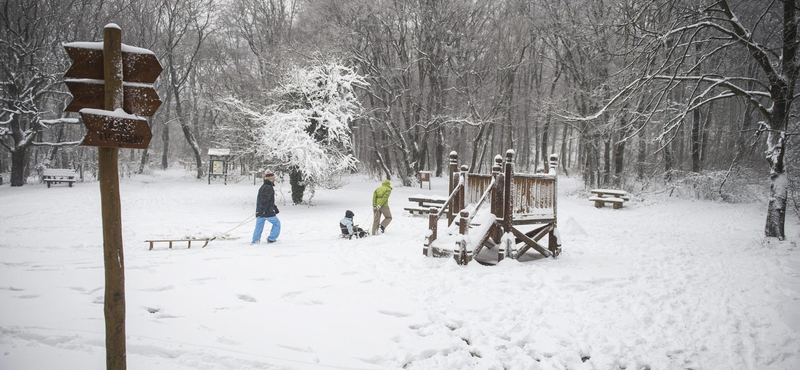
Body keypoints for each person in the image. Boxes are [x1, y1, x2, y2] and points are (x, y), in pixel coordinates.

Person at [252, 172, 280, 244]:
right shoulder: (268, 188)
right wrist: (264, 211)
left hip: (261, 211)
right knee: (277, 224)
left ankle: (255, 241)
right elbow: (265, 200)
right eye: (273, 179)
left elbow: (268, 201)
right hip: (267, 212)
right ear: (271, 179)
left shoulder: (263, 186)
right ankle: (272, 238)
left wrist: (274, 208)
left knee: (259, 227)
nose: (274, 180)